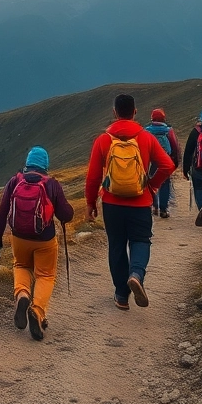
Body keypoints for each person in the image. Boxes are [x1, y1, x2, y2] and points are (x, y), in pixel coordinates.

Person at [85, 94, 175, 310]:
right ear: (135, 112)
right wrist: (151, 186)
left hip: (112, 204)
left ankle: (121, 296)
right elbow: (167, 165)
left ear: (115, 113)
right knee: (141, 241)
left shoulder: (103, 140)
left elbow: (93, 177)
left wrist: (90, 204)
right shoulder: (146, 138)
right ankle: (136, 274)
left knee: (116, 245)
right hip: (140, 202)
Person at [0, 146, 74, 340]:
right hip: (44, 239)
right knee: (45, 275)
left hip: (19, 238)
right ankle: (36, 311)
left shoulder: (15, 181)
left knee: (21, 265)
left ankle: (22, 295)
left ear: (28, 163)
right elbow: (66, 215)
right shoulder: (51, 184)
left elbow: (2, 212)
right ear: (45, 165)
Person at [144, 109, 181, 219]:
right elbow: (174, 146)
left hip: (151, 161)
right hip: (165, 160)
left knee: (151, 182)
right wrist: (175, 162)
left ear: (152, 118)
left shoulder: (146, 131)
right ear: (163, 118)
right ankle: (164, 209)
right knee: (165, 183)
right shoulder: (168, 130)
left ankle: (155, 206)